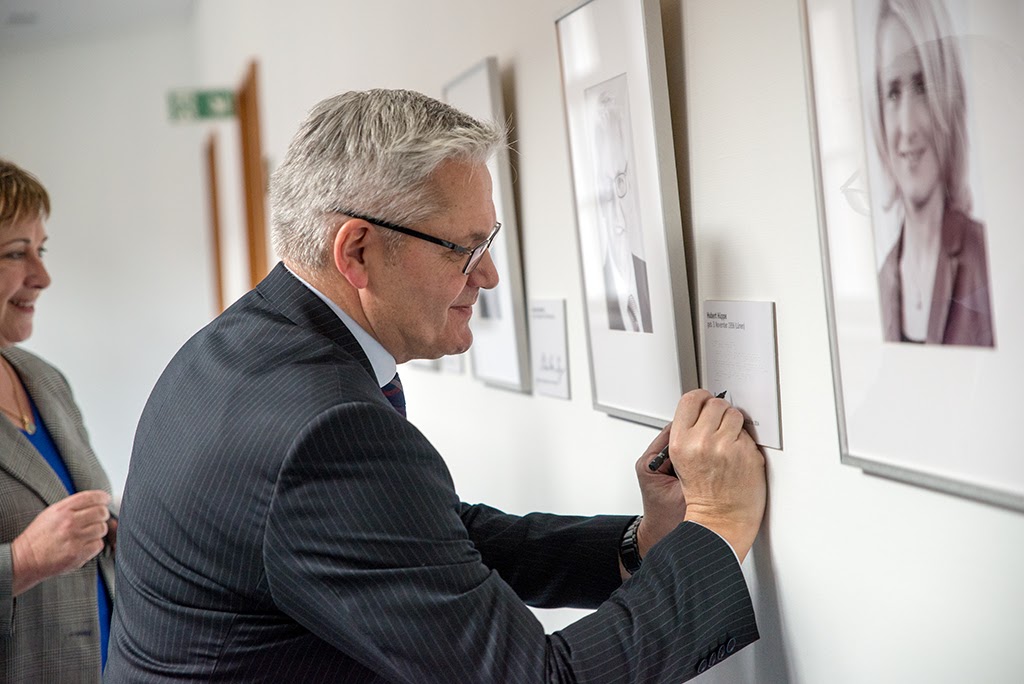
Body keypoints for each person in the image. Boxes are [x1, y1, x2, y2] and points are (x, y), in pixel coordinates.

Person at [106, 89, 766, 683]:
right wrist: (718, 523)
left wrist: (641, 544)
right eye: (465, 249)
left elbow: (423, 541)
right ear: (357, 251)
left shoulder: (246, 346)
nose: (488, 278)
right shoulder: (323, 426)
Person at [0, 159, 116, 680]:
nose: (41, 277)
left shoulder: (44, 379)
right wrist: (23, 560)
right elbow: (39, 550)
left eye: (39, 250)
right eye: (15, 254)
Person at [867, 0, 994, 346]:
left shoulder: (985, 260)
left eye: (922, 87)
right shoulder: (881, 281)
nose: (907, 127)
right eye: (893, 92)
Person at [585, 74, 653, 333]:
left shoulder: (652, 276)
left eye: (621, 182)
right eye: (605, 192)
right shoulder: (596, 294)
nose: (619, 219)